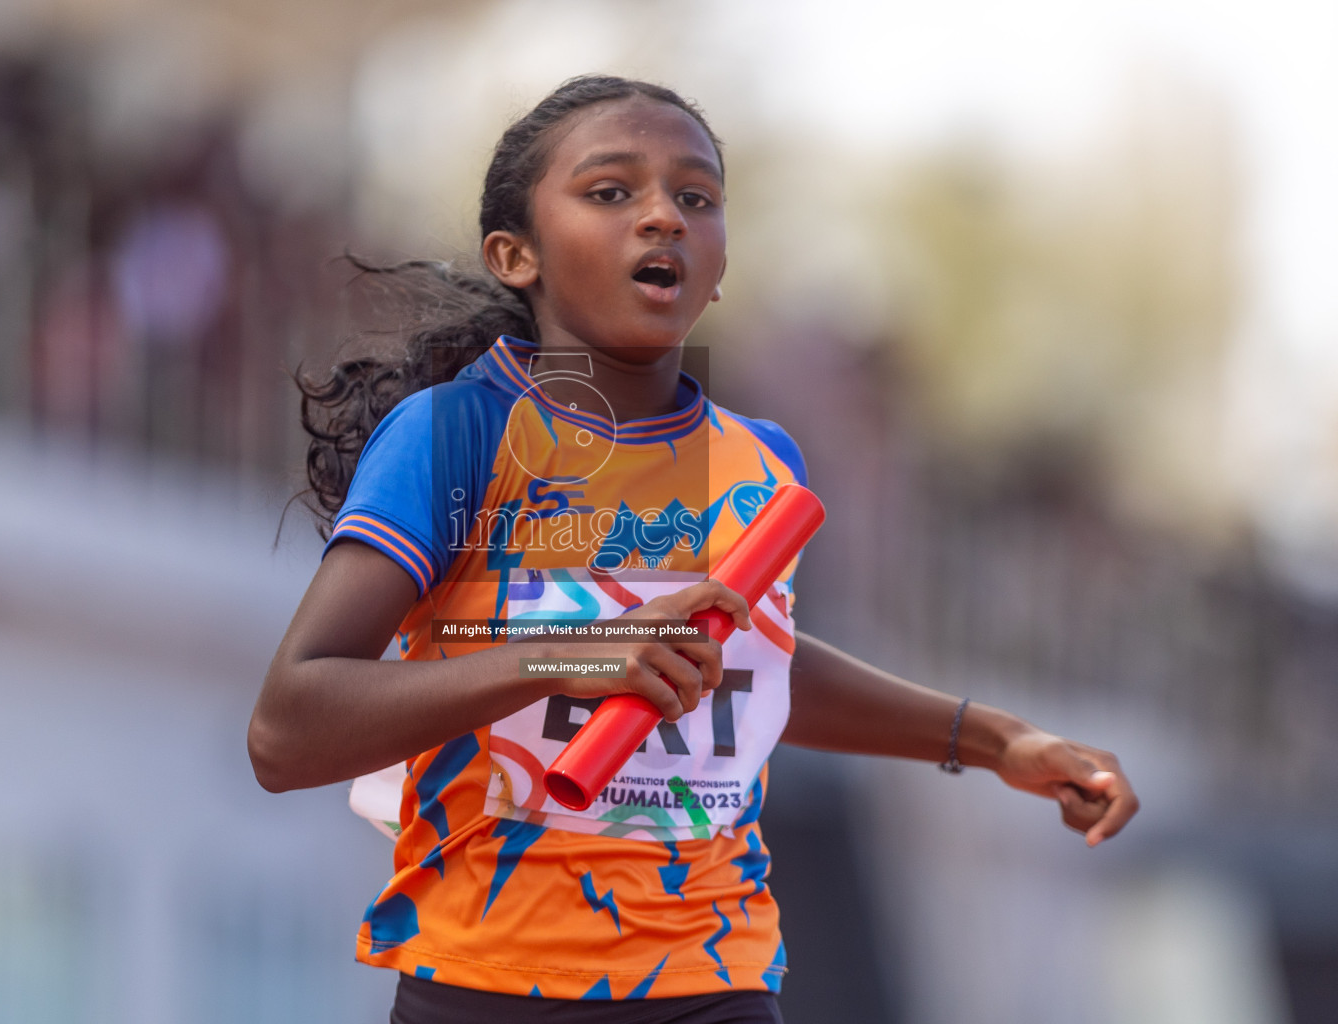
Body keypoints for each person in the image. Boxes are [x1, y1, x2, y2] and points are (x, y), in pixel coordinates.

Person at [247, 75, 1139, 1023]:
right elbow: (287, 730)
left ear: (721, 263)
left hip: (715, 978)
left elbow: (749, 661)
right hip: (488, 983)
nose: (664, 217)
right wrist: (577, 656)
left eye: (696, 197)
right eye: (611, 192)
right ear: (516, 254)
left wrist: (998, 739)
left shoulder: (760, 463)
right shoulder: (460, 434)